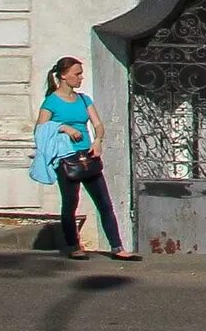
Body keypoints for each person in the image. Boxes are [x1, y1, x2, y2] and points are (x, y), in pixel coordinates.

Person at [31, 57, 133, 259]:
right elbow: (40, 129)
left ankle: (117, 247)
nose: (80, 78)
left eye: (81, 73)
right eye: (77, 74)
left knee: (104, 202)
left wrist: (98, 141)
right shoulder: (51, 101)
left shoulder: (84, 99)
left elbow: (98, 124)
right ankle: (73, 246)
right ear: (63, 75)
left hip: (88, 155)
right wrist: (63, 127)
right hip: (67, 158)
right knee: (70, 203)